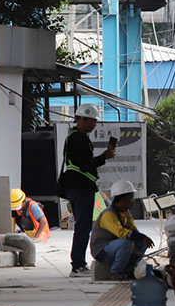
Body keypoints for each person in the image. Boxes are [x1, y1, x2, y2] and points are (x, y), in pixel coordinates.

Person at [58, 104, 115, 276]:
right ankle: (78, 265)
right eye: (91, 121)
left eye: (95, 122)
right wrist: (103, 157)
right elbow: (84, 165)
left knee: (82, 227)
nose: (94, 125)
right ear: (81, 119)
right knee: (82, 227)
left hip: (78, 187)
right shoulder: (77, 138)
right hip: (80, 187)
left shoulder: (79, 137)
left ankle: (78, 262)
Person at [89, 179, 153, 280]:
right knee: (127, 243)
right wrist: (140, 237)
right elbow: (122, 233)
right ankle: (116, 272)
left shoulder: (126, 213)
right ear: (123, 199)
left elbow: (133, 230)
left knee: (141, 242)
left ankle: (129, 270)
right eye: (131, 198)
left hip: (116, 246)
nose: (134, 201)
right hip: (102, 250)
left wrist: (143, 239)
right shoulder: (108, 214)